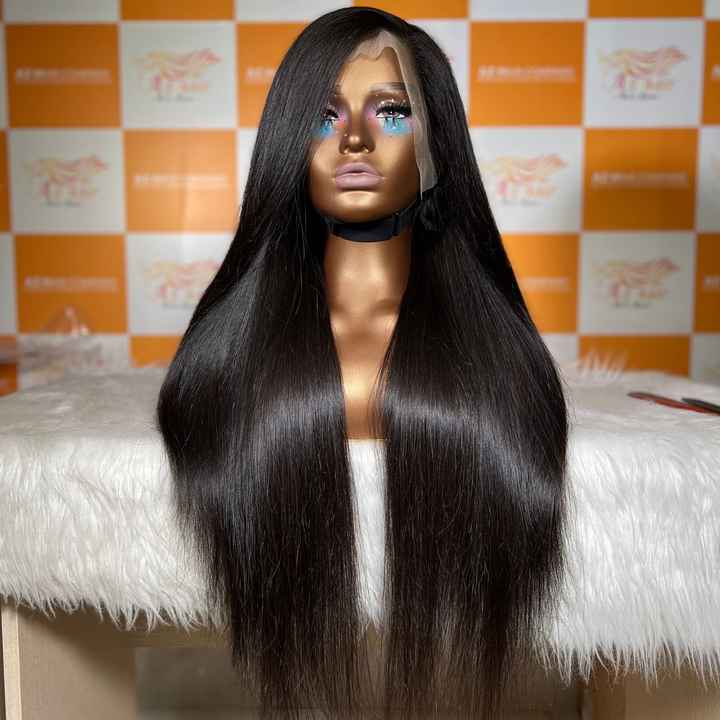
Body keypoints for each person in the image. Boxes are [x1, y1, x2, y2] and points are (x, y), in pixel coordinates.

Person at [156, 7, 570, 720]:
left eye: (392, 113)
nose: (353, 139)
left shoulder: (493, 358)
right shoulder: (233, 356)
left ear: (438, 144)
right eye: (324, 116)